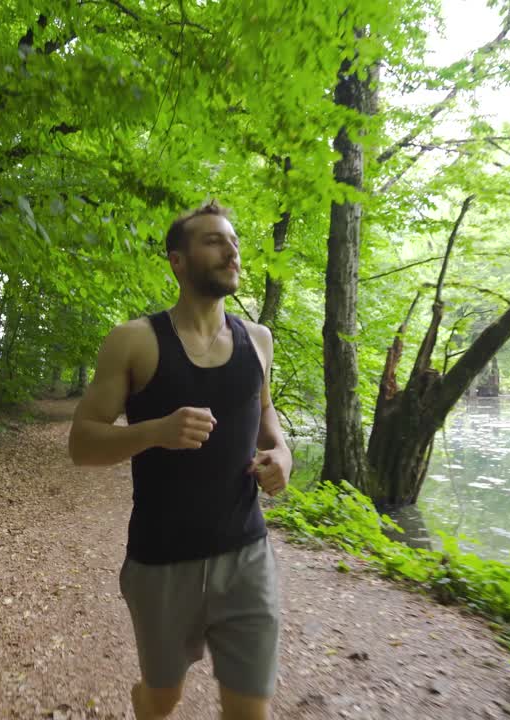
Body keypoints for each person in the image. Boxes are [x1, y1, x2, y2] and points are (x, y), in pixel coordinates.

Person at [68, 200, 292, 720]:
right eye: (214, 240)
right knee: (162, 698)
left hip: (247, 555)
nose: (231, 249)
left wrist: (281, 451)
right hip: (160, 563)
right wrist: (155, 432)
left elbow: (265, 412)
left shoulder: (257, 340)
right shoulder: (135, 341)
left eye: (234, 241)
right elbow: (82, 444)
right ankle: (146, 699)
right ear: (178, 260)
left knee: (250, 711)